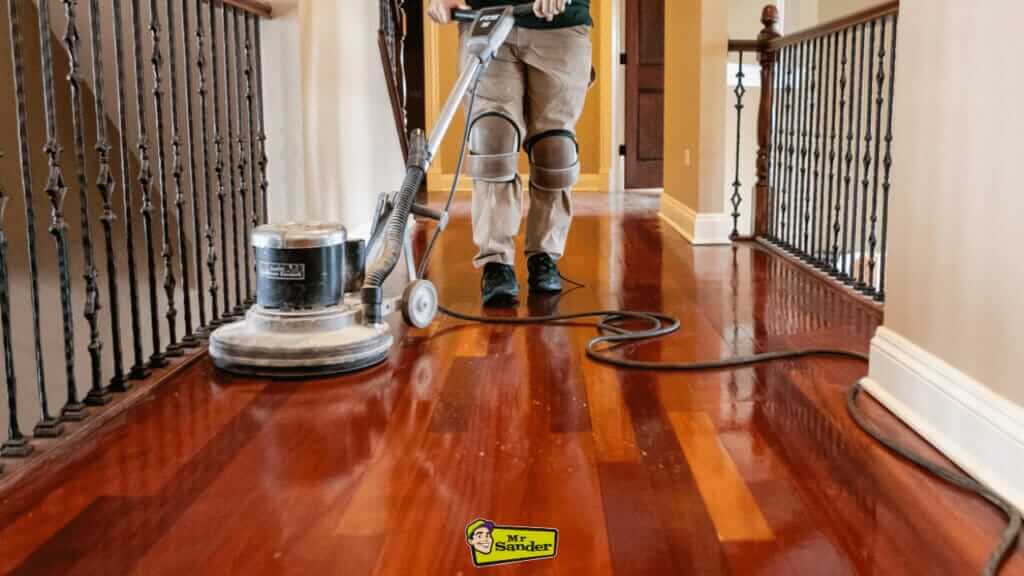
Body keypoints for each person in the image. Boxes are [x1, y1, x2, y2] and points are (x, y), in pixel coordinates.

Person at [428, 0, 593, 306]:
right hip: (486, 18)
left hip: (560, 24)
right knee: (492, 140)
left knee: (553, 149)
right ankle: (496, 262)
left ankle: (545, 255)